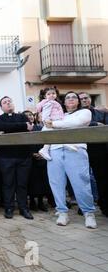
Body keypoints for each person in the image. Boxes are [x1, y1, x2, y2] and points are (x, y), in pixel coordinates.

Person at [45, 91, 97, 229]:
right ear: (64, 102)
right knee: (56, 183)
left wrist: (54, 124)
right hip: (55, 151)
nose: (71, 99)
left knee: (81, 182)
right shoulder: (59, 115)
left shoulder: (84, 112)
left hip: (76, 150)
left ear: (78, 101)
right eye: (68, 97)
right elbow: (45, 129)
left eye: (74, 97)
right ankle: (62, 211)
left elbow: (77, 122)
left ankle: (88, 213)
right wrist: (51, 123)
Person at [0, 96, 34, 220]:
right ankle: (9, 208)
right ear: (1, 107)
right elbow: (1, 126)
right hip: (6, 157)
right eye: (5, 103)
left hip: (23, 156)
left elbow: (29, 127)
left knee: (22, 184)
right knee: (8, 184)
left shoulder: (22, 116)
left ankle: (23, 208)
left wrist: (9, 128)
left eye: (9, 101)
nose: (8, 104)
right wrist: (22, 126)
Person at [79, 92, 108, 217]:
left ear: (90, 100)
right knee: (82, 180)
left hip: (99, 151)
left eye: (86, 98)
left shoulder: (102, 114)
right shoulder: (76, 115)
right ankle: (84, 206)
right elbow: (76, 126)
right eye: (81, 99)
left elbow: (106, 128)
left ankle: (104, 205)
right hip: (80, 150)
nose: (84, 100)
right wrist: (94, 124)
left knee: (102, 180)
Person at [36, 87, 76, 161]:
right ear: (45, 96)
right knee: (57, 134)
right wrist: (46, 121)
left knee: (59, 133)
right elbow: (45, 113)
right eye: (48, 94)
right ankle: (46, 149)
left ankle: (65, 143)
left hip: (56, 120)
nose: (51, 95)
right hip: (52, 121)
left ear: (56, 95)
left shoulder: (55, 102)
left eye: (53, 93)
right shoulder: (49, 103)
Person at [23, 110, 51, 212]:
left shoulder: (39, 128)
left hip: (41, 157)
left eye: (30, 115)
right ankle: (32, 202)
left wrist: (41, 153)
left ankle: (40, 201)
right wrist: (31, 154)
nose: (29, 117)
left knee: (41, 181)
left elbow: (45, 141)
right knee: (31, 182)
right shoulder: (23, 130)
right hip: (28, 159)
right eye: (26, 116)